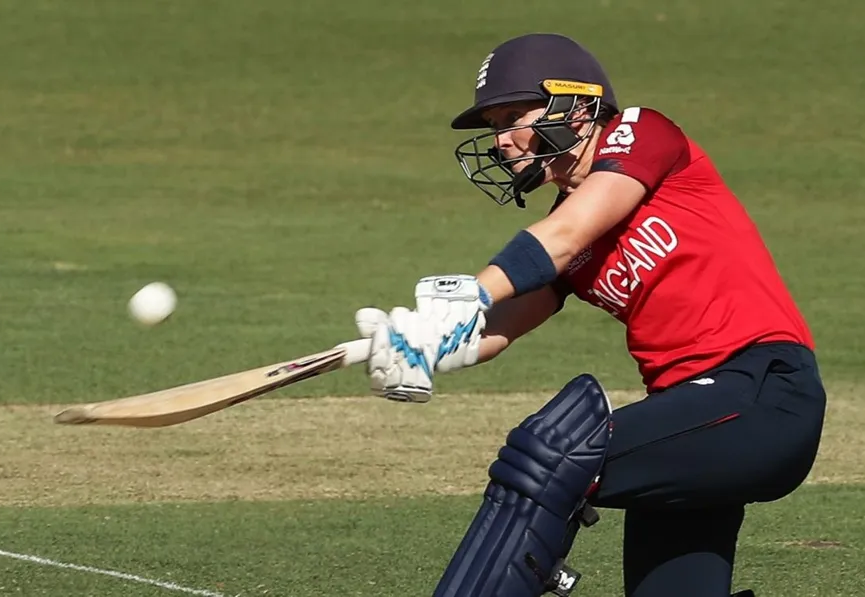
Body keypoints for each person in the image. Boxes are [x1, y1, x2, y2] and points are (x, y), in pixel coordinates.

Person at [353, 32, 827, 597]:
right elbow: (497, 328)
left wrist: (468, 295)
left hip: (761, 395)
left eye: (512, 117)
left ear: (574, 104)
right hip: (689, 423)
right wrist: (421, 345)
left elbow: (563, 235)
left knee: (550, 455)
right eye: (494, 127)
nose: (502, 141)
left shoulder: (643, 133)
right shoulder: (571, 237)